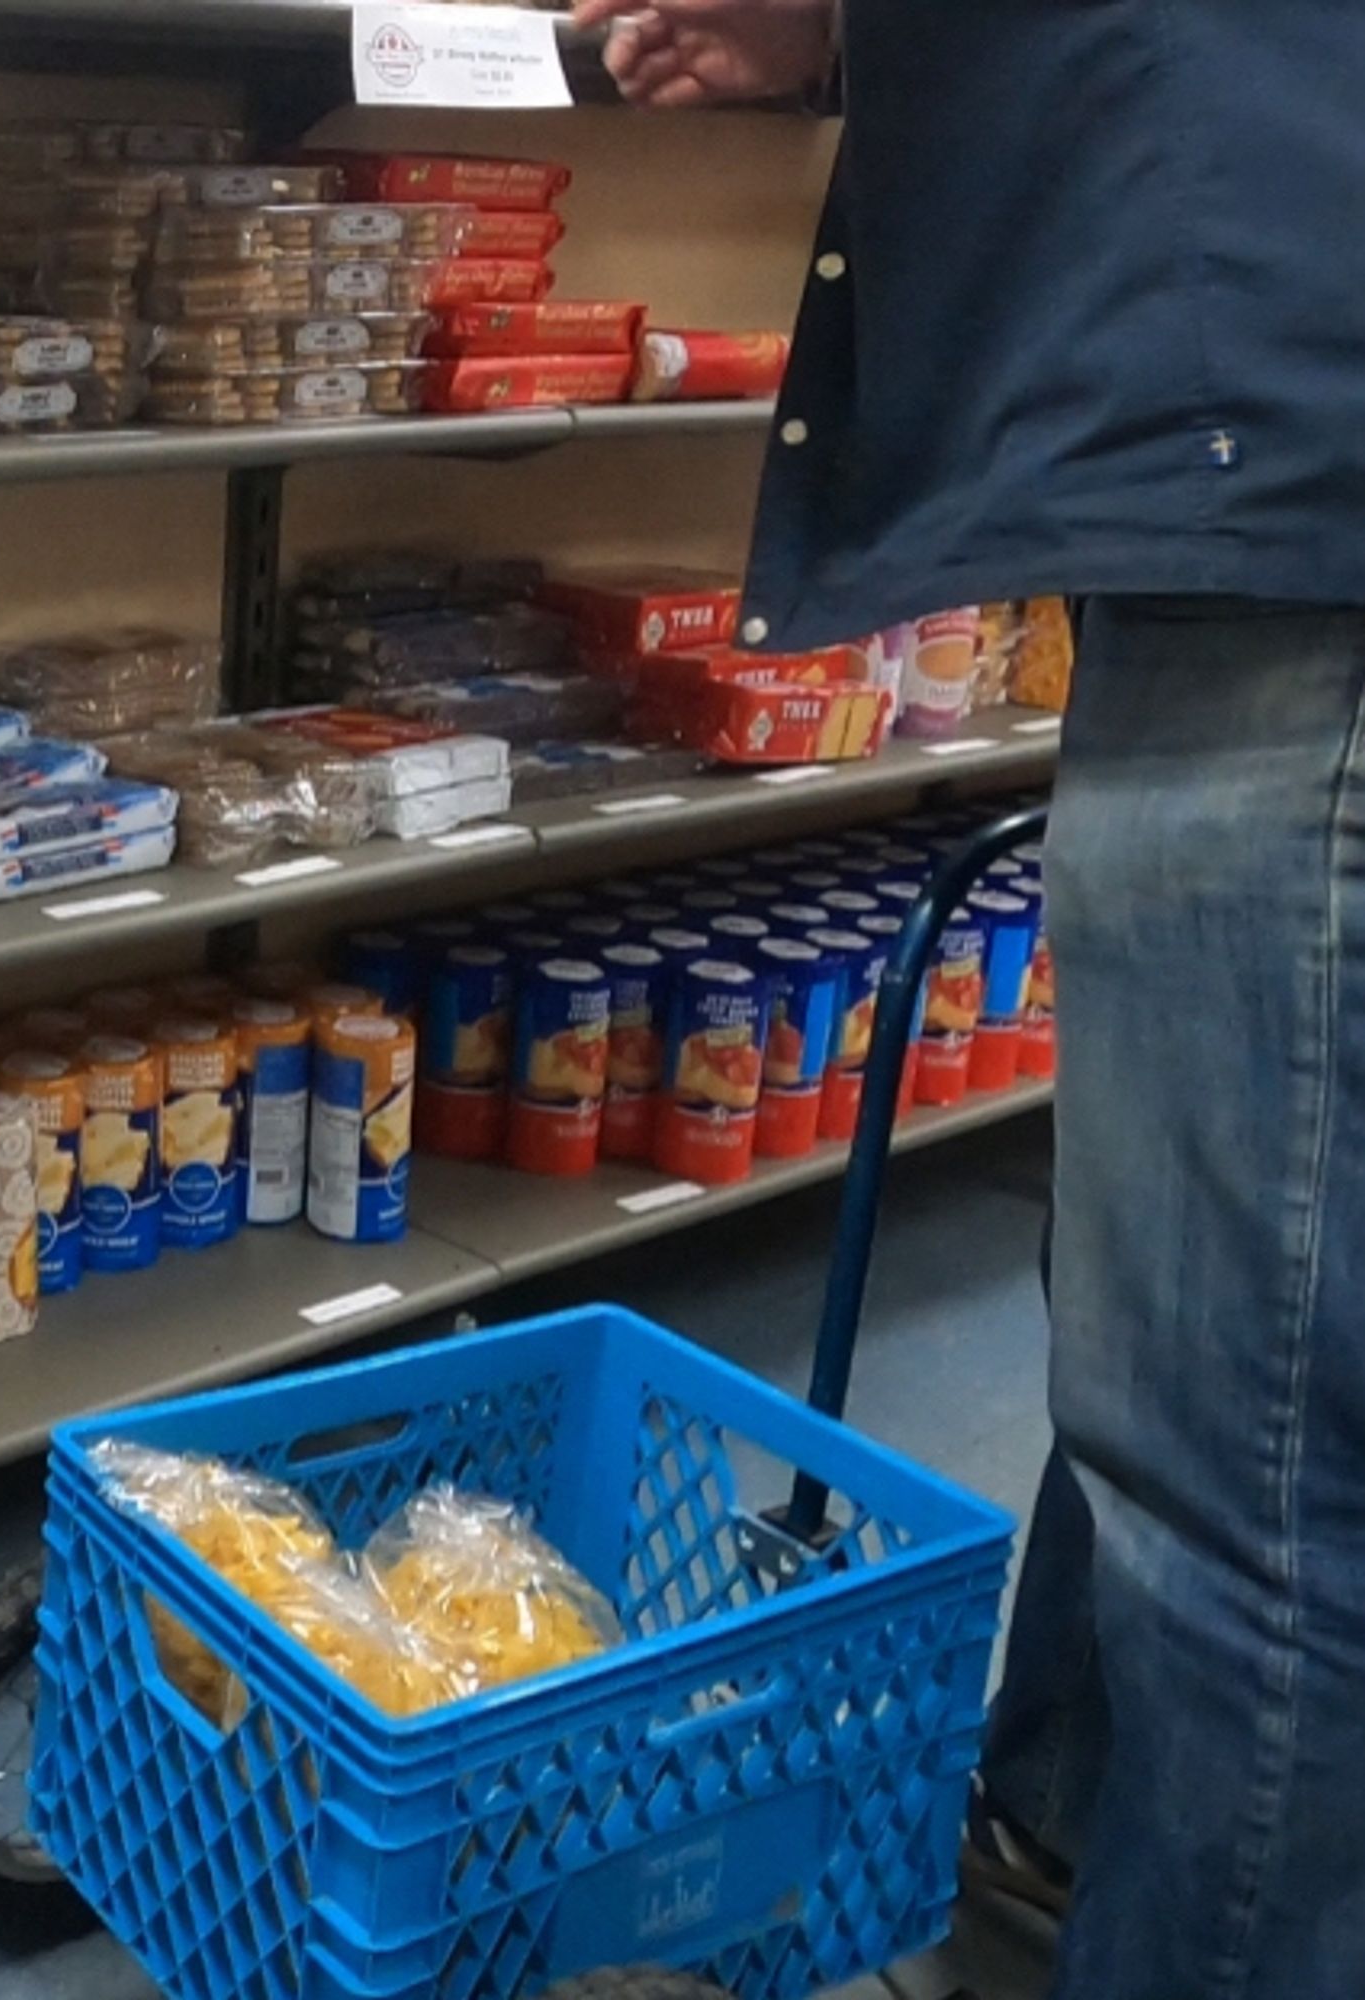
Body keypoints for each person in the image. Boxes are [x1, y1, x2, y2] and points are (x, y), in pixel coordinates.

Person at [566, 3, 1365, 1997]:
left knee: (1241, 1471)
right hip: (1253, 467)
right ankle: (1064, 1831)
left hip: (1287, 501)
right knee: (1204, 1344)